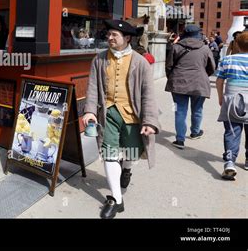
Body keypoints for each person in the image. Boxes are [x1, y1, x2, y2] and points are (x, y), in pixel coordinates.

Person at [83, 19, 160, 219]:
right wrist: (89, 110)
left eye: (114, 35)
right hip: (108, 114)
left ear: (127, 38)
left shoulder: (140, 62)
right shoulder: (99, 60)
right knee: (109, 153)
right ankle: (116, 199)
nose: (109, 38)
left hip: (132, 115)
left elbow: (148, 94)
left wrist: (150, 121)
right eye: (108, 34)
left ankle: (126, 169)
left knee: (132, 153)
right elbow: (92, 88)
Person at [165, 24, 215, 149]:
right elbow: (212, 67)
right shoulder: (205, 48)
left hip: (178, 83)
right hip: (199, 83)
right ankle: (195, 132)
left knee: (179, 111)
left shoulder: (176, 47)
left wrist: (172, 78)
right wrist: (202, 75)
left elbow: (168, 66)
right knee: (198, 109)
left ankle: (180, 139)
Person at [215, 31, 248, 179]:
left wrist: (221, 97)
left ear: (237, 44)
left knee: (232, 132)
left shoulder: (227, 60)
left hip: (232, 99)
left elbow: (219, 81)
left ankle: (229, 161)